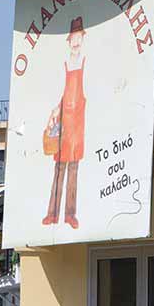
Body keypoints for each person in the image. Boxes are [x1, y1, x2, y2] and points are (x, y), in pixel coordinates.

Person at [42, 16, 87, 229]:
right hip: (64, 124)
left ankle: (70, 214)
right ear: (69, 41)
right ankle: (52, 213)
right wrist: (55, 111)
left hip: (78, 124)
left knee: (74, 170)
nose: (76, 42)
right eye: (73, 38)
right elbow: (59, 92)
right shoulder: (65, 63)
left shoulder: (85, 62)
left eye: (79, 37)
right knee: (59, 169)